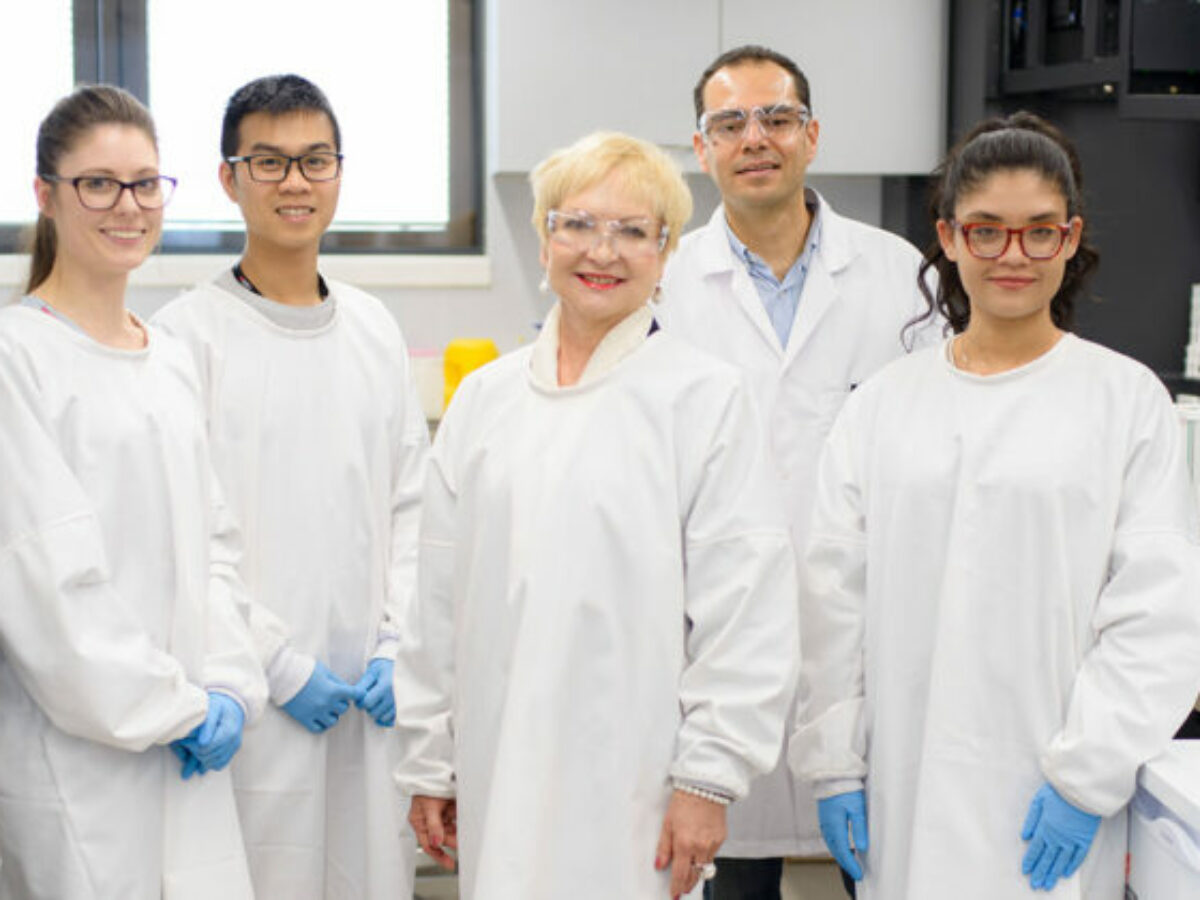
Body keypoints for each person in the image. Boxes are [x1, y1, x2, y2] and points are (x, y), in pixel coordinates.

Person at [792, 111, 1200, 898]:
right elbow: (833, 602)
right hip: (904, 785)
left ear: (1070, 238)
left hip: (1053, 792)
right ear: (949, 237)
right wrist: (835, 763)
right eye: (986, 231)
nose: (1013, 255)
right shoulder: (882, 406)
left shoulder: (1125, 401)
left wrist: (1087, 775)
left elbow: (1159, 613)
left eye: (1039, 232)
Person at [394, 131, 800, 900]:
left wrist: (709, 779)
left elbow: (746, 610)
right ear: (543, 237)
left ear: (666, 252)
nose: (602, 252)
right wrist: (429, 762)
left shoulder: (703, 398)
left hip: (639, 782)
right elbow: (437, 600)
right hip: (497, 759)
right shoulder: (486, 399)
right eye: (577, 224)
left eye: (632, 231)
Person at [657, 44, 935, 899]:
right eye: (729, 123)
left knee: (881, 872)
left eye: (777, 118)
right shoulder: (662, 284)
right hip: (714, 636)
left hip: (865, 640)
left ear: (811, 135)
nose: (755, 139)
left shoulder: (900, 276)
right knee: (735, 878)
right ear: (701, 148)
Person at [152, 74, 427, 899]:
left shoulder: (374, 329)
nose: (296, 182)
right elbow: (186, 535)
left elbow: (415, 505)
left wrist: (397, 645)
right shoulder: (183, 340)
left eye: (315, 160)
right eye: (268, 162)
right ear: (229, 177)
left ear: (339, 172)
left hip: (371, 709)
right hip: (251, 702)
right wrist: (276, 665)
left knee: (368, 874)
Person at [0, 84, 266, 898]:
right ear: (45, 194)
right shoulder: (17, 358)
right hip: (83, 763)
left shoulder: (167, 356)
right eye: (98, 184)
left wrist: (228, 685)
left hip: (190, 748)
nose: (128, 205)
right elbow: (45, 585)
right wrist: (168, 708)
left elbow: (214, 545)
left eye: (146, 183)